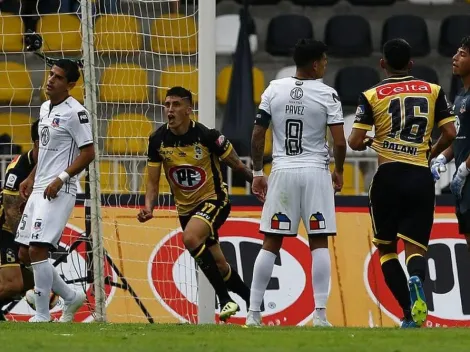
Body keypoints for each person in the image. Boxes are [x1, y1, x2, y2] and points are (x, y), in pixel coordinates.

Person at [348, 38, 456, 328]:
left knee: (386, 249)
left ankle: (408, 313)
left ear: (382, 64)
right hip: (420, 177)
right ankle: (417, 280)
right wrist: (428, 154)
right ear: (411, 63)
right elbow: (450, 132)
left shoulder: (371, 94)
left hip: (388, 177)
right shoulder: (433, 90)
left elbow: (354, 141)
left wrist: (371, 141)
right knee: (416, 247)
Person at [247, 39, 346, 327]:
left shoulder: (273, 89)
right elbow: (339, 142)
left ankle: (253, 314)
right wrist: (338, 170)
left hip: (283, 171)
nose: (326, 65)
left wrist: (256, 173)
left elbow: (257, 135)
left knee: (271, 241)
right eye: (325, 61)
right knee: (319, 241)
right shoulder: (328, 94)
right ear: (315, 63)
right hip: (315, 172)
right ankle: (320, 315)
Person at [138, 86, 253, 322]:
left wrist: (259, 182)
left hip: (214, 200)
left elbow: (238, 166)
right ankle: (253, 302)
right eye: (167, 104)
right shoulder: (157, 140)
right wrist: (149, 206)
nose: (170, 109)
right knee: (220, 266)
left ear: (189, 110)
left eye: (176, 105)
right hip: (186, 210)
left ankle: (224, 300)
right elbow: (152, 182)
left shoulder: (208, 136)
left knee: (190, 238)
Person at [15, 59, 95, 323]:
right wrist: (30, 177)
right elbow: (46, 152)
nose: (50, 80)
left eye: (58, 77)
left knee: (38, 250)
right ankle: (71, 297)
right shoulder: (45, 107)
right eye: (51, 75)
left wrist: (61, 178)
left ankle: (42, 314)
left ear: (70, 84)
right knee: (25, 254)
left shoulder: (76, 112)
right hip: (39, 187)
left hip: (60, 190)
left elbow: (89, 152)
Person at [432, 36, 470, 248]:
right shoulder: (460, 96)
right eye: (456, 53)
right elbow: (460, 137)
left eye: (462, 55)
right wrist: (441, 158)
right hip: (465, 184)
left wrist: (464, 169)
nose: (454, 58)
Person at [0, 121, 40, 320]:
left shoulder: (52, 166)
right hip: (5, 228)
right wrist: (26, 242)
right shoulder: (18, 169)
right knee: (13, 285)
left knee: (33, 282)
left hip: (24, 231)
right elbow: (10, 211)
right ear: (37, 143)